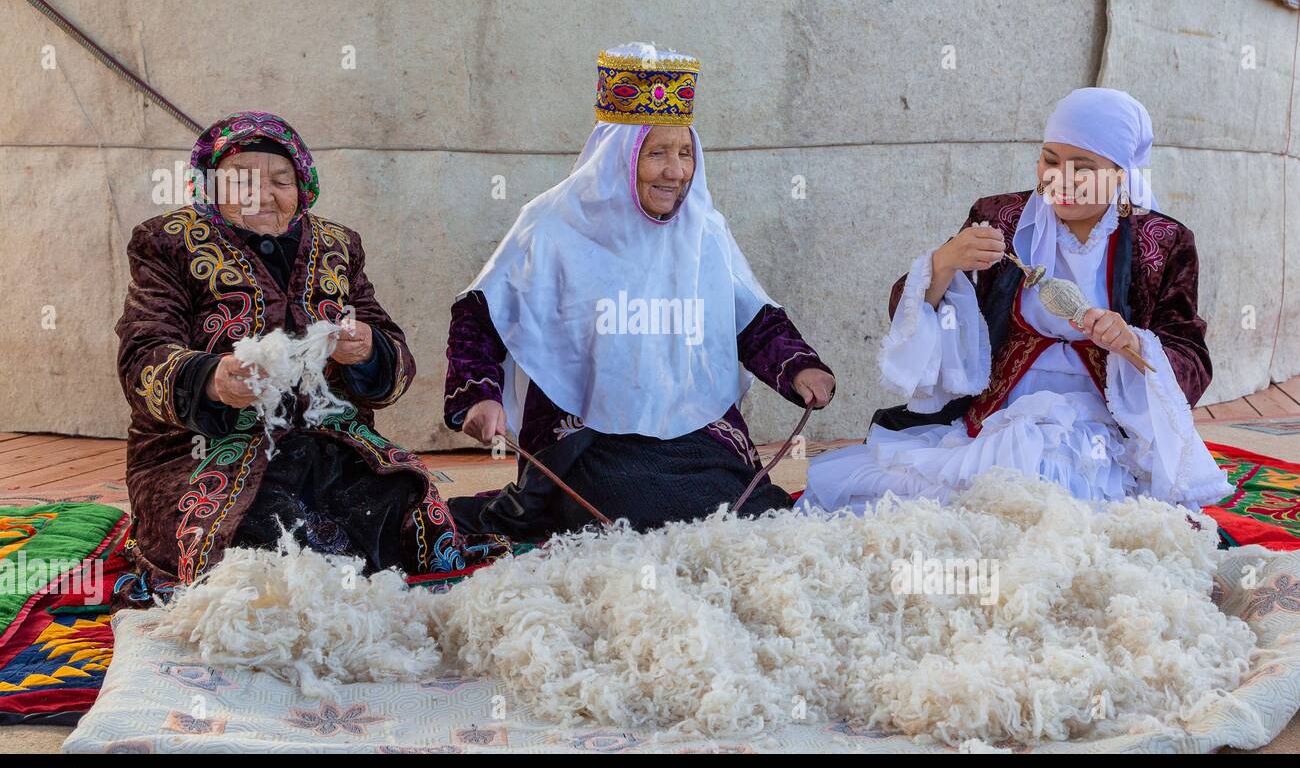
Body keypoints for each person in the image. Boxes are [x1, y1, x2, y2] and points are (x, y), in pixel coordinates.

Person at [114, 111, 508, 607]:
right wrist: (214, 379)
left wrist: (366, 350)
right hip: (204, 445)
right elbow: (142, 350)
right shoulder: (167, 242)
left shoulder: (338, 246)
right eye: (242, 182)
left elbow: (391, 349)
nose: (264, 195)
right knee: (254, 540)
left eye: (281, 181)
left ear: (302, 186)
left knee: (406, 510)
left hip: (328, 439)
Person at [444, 44, 836, 538]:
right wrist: (479, 396)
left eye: (685, 152)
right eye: (657, 154)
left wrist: (799, 366)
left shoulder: (703, 230)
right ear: (618, 159)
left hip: (695, 428)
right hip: (590, 437)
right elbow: (481, 315)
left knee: (755, 517)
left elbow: (751, 317)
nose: (676, 172)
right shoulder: (549, 227)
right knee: (631, 521)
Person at [800, 88, 1230, 514]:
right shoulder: (1000, 218)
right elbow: (912, 310)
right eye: (1049, 160)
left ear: (1121, 173)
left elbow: (1189, 356)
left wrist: (1132, 343)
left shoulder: (1162, 242)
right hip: (1001, 409)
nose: (1058, 180)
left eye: (1082, 168)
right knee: (916, 495)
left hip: (1103, 420)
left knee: (1058, 492)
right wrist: (946, 261)